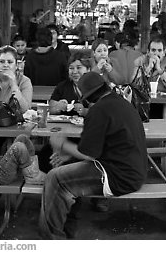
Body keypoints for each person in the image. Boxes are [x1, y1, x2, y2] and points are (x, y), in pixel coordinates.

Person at [39, 72, 147, 239]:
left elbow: (88, 154)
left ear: (87, 96)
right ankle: (66, 233)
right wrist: (68, 157)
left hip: (118, 176)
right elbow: (97, 149)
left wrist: (62, 144)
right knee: (66, 175)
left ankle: (51, 239)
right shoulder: (120, 103)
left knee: (55, 178)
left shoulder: (99, 110)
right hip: (133, 171)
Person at [49, 51, 92, 116]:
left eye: (79, 68)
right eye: (71, 68)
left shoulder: (95, 87)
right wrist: (58, 107)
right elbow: (50, 109)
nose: (74, 72)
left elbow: (101, 112)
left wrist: (84, 111)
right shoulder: (62, 86)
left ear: (88, 69)